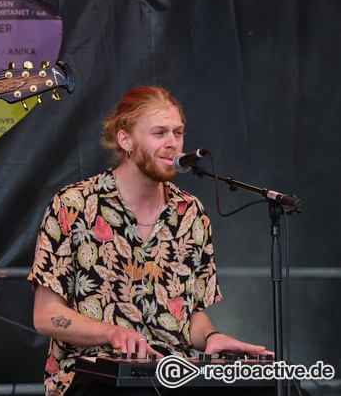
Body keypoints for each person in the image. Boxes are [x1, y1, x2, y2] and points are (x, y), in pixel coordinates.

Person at [29, 86, 272, 396]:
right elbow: (46, 316)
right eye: (159, 133)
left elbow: (190, 312)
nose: (173, 143)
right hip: (92, 376)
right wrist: (113, 333)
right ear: (125, 139)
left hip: (173, 374)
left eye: (178, 132)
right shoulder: (73, 204)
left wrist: (212, 337)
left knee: (279, 391)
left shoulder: (190, 212)